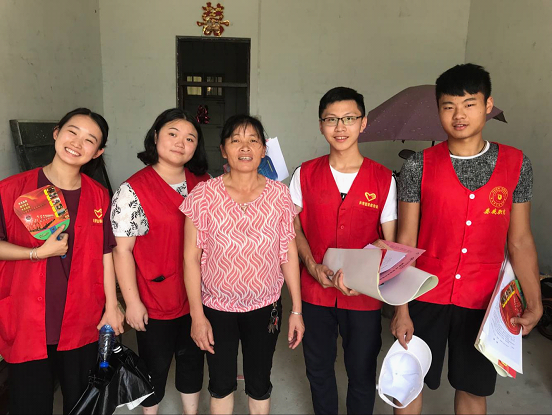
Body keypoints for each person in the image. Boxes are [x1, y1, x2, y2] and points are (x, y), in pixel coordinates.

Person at [391, 63, 543, 414]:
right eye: (449, 106)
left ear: (488, 105)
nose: (459, 115)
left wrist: (534, 300)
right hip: (425, 291)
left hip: (483, 299)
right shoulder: (418, 165)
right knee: (407, 384)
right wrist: (400, 309)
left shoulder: (516, 164)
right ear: (439, 110)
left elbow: (520, 241)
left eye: (469, 104)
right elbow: (405, 242)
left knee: (474, 389)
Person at [0, 108, 124, 414]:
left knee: (82, 405)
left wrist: (112, 306)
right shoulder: (12, 189)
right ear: (56, 133)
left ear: (98, 151)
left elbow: (106, 254)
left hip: (82, 319)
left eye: (90, 140)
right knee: (29, 405)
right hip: (27, 319)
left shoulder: (98, 196)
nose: (77, 143)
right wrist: (35, 253)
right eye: (72, 132)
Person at [180, 114, 304, 415]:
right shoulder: (203, 195)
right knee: (221, 383)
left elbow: (287, 253)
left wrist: (297, 310)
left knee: (259, 382)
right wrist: (197, 316)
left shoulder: (279, 195)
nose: (244, 147)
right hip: (216, 307)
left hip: (265, 306)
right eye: (235, 140)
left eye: (253, 141)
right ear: (224, 150)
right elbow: (190, 258)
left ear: (263, 150)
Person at [290, 87, 398, 415]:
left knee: (362, 373)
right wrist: (311, 265)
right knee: (318, 370)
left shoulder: (383, 179)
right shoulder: (304, 174)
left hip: (363, 296)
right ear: (320, 125)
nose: (340, 127)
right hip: (315, 292)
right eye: (331, 119)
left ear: (363, 123)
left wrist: (369, 265)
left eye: (349, 118)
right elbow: (293, 228)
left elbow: (390, 242)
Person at [111, 108, 210, 415]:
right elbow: (122, 251)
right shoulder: (132, 190)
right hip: (155, 297)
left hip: (199, 296)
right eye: (173, 134)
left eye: (190, 138)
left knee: (193, 362)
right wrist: (132, 303)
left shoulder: (205, 183)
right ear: (155, 137)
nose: (181, 143)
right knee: (153, 368)